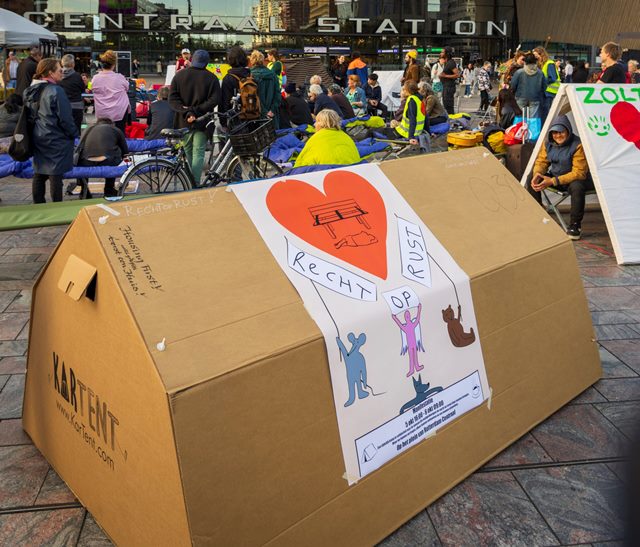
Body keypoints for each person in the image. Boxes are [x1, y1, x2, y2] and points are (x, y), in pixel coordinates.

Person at [527, 115, 592, 240]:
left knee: (577, 187)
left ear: (568, 131)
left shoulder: (578, 145)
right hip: (556, 177)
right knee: (531, 177)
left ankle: (575, 225)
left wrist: (553, 181)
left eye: (561, 132)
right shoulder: (548, 143)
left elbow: (579, 172)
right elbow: (541, 162)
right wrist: (537, 174)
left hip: (575, 179)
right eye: (555, 133)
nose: (558, 135)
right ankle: (539, 212)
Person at [23, 58, 79, 203]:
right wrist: (74, 134)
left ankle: (39, 205)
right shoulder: (56, 91)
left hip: (37, 136)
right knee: (55, 174)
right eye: (59, 70)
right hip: (56, 137)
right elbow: (65, 119)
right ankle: (56, 207)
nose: (62, 72)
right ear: (50, 73)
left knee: (39, 173)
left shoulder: (30, 90)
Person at [169, 49, 220, 185]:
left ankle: (190, 182)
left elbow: (172, 99)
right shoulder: (212, 78)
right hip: (202, 121)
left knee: (188, 151)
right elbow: (214, 100)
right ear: (207, 63)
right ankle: (195, 183)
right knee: (199, 152)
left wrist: (187, 112)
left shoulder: (179, 76)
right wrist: (196, 111)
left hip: (183, 121)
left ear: (192, 60)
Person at [76, 118, 128, 198]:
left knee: (82, 157)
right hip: (107, 161)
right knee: (114, 153)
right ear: (111, 124)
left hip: (86, 162)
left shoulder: (87, 129)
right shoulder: (115, 129)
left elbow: (79, 148)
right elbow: (125, 151)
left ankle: (84, 190)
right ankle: (109, 189)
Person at [293, 109, 360, 168]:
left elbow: (301, 163)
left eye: (317, 121)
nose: (314, 124)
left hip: (327, 173)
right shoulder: (345, 136)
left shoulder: (316, 139)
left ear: (322, 123)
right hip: (352, 170)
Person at [374, 81, 425, 146]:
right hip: (416, 131)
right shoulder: (420, 99)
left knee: (372, 131)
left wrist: (411, 137)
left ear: (407, 90)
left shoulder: (411, 101)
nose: (402, 91)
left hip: (404, 133)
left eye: (404, 89)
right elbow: (425, 117)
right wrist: (429, 132)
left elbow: (412, 119)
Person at [91, 50, 130, 133]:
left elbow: (92, 89)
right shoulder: (119, 77)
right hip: (119, 112)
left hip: (102, 113)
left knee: (103, 134)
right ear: (114, 64)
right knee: (120, 133)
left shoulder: (95, 78)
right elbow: (127, 88)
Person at [220, 46, 250, 127]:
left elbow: (224, 102)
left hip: (234, 121)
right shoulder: (251, 75)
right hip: (252, 119)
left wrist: (223, 122)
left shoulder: (228, 78)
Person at [249, 50, 280, 129]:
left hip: (256, 118)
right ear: (262, 60)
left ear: (252, 60)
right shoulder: (272, 74)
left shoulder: (250, 75)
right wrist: (272, 110)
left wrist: (264, 112)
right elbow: (277, 95)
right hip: (272, 116)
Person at [510, 53, 546, 119]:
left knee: (520, 117)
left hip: (520, 97)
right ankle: (531, 126)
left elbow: (513, 85)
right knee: (533, 119)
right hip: (535, 97)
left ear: (525, 62)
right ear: (535, 62)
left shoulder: (519, 72)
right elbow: (544, 86)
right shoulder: (540, 73)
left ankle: (521, 125)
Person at [59, 54, 86, 134]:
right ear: (72, 64)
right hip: (76, 106)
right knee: (76, 130)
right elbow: (82, 90)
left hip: (62, 106)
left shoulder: (58, 75)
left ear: (62, 64)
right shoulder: (77, 76)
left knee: (63, 130)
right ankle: (76, 142)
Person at [533, 46, 559, 122]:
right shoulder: (544, 64)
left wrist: (541, 82)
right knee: (544, 112)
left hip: (549, 92)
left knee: (545, 113)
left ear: (541, 54)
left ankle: (545, 127)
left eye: (536, 55)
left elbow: (553, 78)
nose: (535, 58)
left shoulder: (549, 63)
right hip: (546, 91)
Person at [438, 48, 459, 115]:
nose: (441, 53)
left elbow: (457, 74)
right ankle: (449, 118)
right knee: (445, 104)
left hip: (449, 87)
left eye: (442, 52)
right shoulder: (446, 62)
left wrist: (445, 76)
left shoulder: (451, 63)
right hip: (445, 86)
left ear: (447, 53)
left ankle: (451, 118)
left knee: (448, 105)